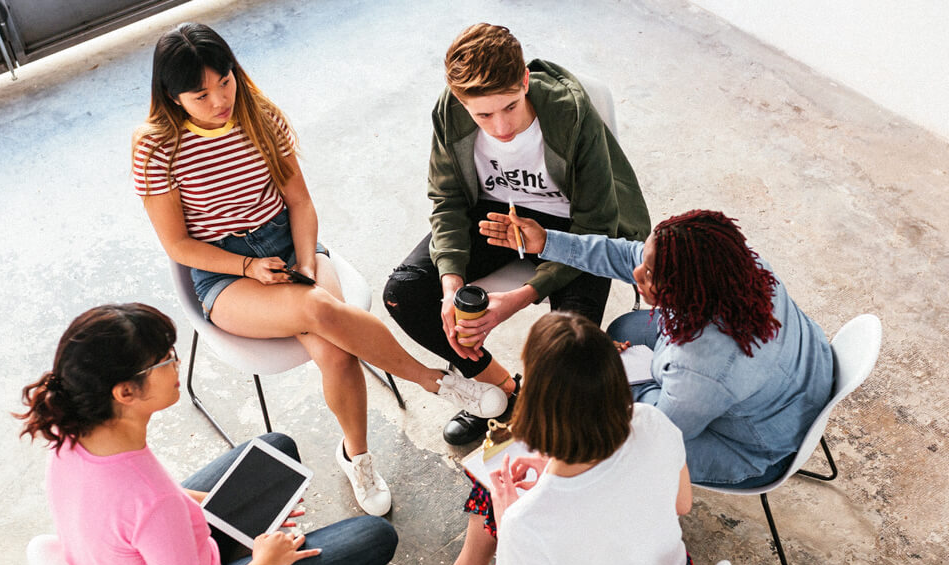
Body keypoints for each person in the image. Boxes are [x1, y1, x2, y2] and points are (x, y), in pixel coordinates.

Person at [132, 22, 507, 516]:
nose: (220, 100)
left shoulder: (259, 115)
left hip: (289, 242)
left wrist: (306, 260)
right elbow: (178, 245)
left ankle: (357, 456)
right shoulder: (155, 147)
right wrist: (248, 266)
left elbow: (300, 202)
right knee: (319, 308)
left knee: (334, 350)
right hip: (223, 272)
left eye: (225, 82)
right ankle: (433, 380)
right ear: (172, 96)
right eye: (200, 95)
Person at [16, 303, 399, 565]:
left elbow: (148, 508)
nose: (176, 364)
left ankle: (243, 531)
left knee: (275, 448)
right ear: (125, 393)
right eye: (165, 359)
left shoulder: (74, 437)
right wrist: (265, 563)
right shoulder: (153, 502)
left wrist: (235, 508)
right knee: (375, 535)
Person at [383, 23, 650, 446]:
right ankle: (504, 394)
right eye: (483, 115)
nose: (501, 128)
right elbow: (447, 198)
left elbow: (598, 223)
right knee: (406, 292)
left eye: (509, 107)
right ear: (460, 101)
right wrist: (451, 285)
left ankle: (538, 403)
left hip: (571, 227)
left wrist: (521, 296)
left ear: (525, 80)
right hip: (490, 216)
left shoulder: (569, 113)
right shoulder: (449, 112)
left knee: (566, 350)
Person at [401, 312, 693, 565]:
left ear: (537, 406)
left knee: (491, 491)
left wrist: (509, 529)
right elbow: (681, 504)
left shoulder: (527, 523)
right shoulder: (653, 421)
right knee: (512, 503)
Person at [480, 208, 835, 488]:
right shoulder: (738, 270)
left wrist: (608, 379)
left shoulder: (702, 368)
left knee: (604, 426)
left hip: (754, 447)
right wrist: (546, 242)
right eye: (646, 262)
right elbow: (625, 255)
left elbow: (658, 432)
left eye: (650, 275)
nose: (636, 274)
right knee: (623, 330)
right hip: (796, 379)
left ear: (688, 292)